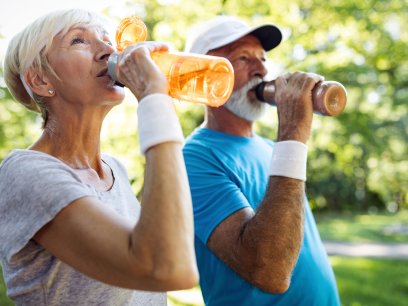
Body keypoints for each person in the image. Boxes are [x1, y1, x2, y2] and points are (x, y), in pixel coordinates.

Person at [0, 9, 198, 305]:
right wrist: (155, 99)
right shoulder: (25, 173)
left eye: (107, 40)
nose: (109, 51)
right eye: (79, 40)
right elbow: (169, 267)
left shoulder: (114, 169)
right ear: (40, 80)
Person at [183, 16, 341, 305]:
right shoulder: (192, 159)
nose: (262, 70)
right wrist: (293, 133)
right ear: (203, 77)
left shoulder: (273, 149)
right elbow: (269, 271)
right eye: (243, 58)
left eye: (263, 58)